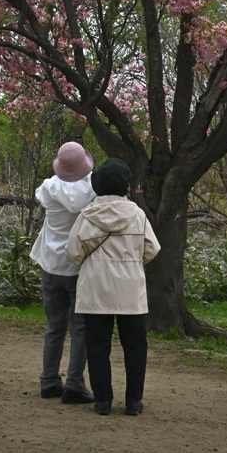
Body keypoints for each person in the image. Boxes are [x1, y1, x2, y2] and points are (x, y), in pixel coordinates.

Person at [66, 158, 160, 416]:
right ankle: (133, 401)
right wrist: (132, 263)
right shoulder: (137, 215)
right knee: (135, 346)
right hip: (130, 290)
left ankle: (103, 401)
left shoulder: (87, 215)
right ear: (125, 186)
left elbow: (73, 253)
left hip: (96, 289)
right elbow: (152, 249)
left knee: (97, 346)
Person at [30, 140, 96, 403]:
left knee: (54, 326)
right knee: (80, 327)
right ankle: (75, 383)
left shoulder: (49, 187)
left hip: (51, 263)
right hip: (78, 264)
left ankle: (49, 380)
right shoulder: (92, 187)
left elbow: (42, 194)